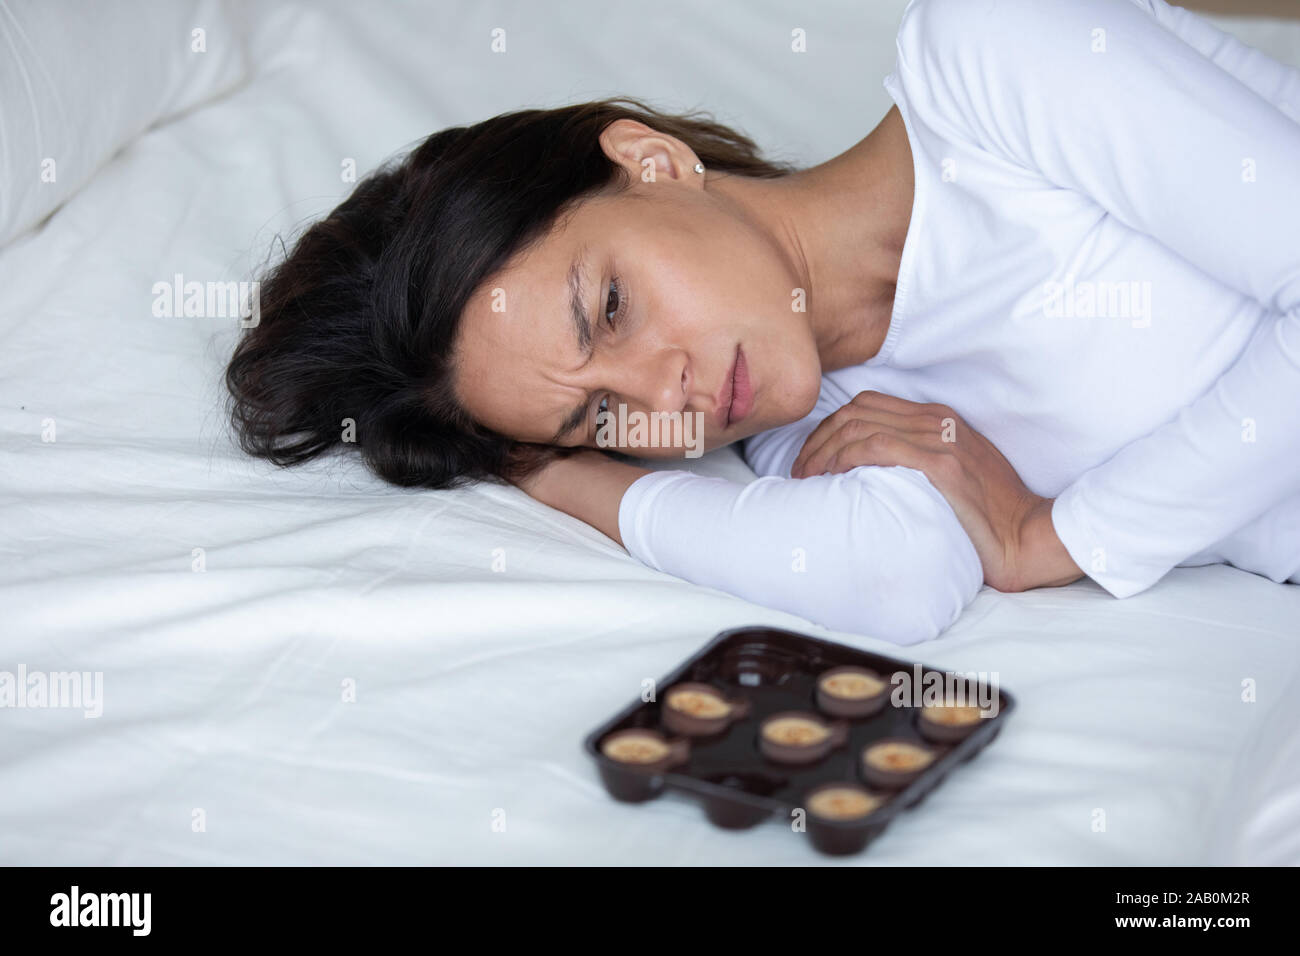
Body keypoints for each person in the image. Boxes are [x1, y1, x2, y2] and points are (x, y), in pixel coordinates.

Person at [226, 0, 1300, 644]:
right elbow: (895, 571)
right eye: (602, 415)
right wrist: (538, 467)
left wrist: (1056, 537)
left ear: (650, 159)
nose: (667, 399)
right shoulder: (807, 413)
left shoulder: (989, 55)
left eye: (609, 309)